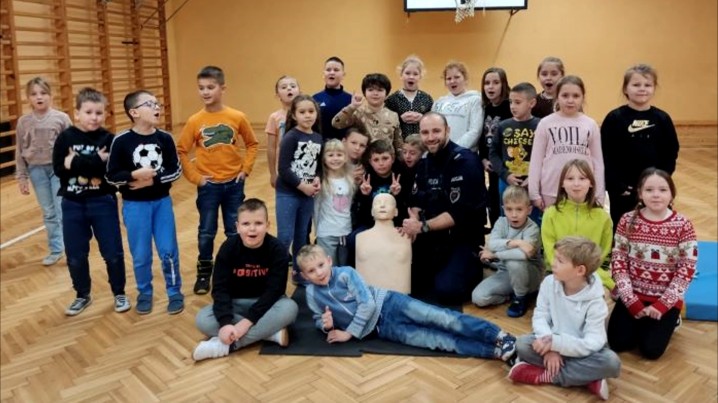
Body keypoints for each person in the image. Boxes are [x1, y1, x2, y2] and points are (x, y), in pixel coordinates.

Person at [298, 244, 518, 362]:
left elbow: (368, 304)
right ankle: (494, 352)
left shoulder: (346, 274)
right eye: (311, 271)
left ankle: (498, 336)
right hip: (383, 330)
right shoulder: (312, 294)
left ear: (329, 261)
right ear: (304, 276)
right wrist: (326, 325)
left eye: (321, 265)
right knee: (437, 341)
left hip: (389, 304)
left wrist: (349, 333)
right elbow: (318, 319)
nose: (319, 273)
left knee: (441, 318)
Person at [176, 65, 259, 295]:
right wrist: (195, 177)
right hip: (209, 187)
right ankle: (204, 272)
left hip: (234, 185)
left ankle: (236, 268)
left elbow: (252, 144)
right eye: (201, 88)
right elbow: (181, 150)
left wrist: (246, 169)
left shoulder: (237, 117)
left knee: (234, 230)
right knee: (206, 231)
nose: (205, 92)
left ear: (222, 88)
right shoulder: (195, 120)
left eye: (210, 87)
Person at [508, 236, 621, 401]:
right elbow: (540, 316)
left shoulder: (596, 300)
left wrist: (557, 345)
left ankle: (547, 375)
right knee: (522, 344)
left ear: (580, 270)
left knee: (611, 363)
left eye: (560, 261)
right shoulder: (548, 282)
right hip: (552, 342)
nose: (553, 263)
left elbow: (593, 342)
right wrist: (550, 348)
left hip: (581, 350)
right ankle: (587, 379)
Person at [106, 90, 184, 315]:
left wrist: (152, 181)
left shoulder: (165, 138)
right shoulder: (121, 141)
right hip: (134, 207)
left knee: (168, 250)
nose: (157, 107)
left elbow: (175, 170)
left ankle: (174, 292)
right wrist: (133, 175)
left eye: (157, 103)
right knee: (141, 254)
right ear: (134, 112)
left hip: (162, 203)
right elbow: (111, 176)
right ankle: (145, 293)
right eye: (150, 104)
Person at [52, 87, 128, 316]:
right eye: (88, 112)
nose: (94, 117)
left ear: (105, 114)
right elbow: (59, 170)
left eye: (98, 112)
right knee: (75, 255)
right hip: (72, 204)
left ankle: (119, 292)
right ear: (77, 113)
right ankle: (82, 294)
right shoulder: (65, 138)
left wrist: (74, 163)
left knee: (113, 252)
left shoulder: (109, 139)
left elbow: (109, 171)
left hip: (103, 202)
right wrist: (96, 160)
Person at [192, 199, 299, 361]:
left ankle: (228, 345)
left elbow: (275, 291)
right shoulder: (228, 247)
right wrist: (225, 323)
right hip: (236, 304)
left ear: (268, 225)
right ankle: (270, 333)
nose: (252, 228)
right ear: (237, 227)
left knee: (290, 308)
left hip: (267, 305)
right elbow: (220, 288)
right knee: (203, 319)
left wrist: (246, 323)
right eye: (246, 224)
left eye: (258, 223)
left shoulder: (277, 249)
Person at [607, 169, 697, 360]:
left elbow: (686, 270)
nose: (656, 195)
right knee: (618, 343)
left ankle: (672, 319)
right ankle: (641, 320)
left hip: (664, 298)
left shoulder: (683, 225)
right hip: (633, 294)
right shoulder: (627, 220)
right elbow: (619, 262)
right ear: (640, 193)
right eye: (649, 190)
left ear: (672, 194)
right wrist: (630, 300)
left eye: (663, 190)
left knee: (651, 351)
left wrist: (663, 305)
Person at [400, 112, 486, 303]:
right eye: (425, 132)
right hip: (432, 237)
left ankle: (472, 269)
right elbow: (416, 200)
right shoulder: (424, 162)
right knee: (410, 282)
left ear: (447, 130)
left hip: (462, 238)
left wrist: (422, 226)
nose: (430, 137)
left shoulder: (466, 162)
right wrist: (413, 221)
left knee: (448, 291)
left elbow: (458, 214)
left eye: (436, 131)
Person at [601, 64, 679, 235]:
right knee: (623, 230)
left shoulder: (662, 119)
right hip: (623, 190)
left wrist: (661, 182)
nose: (642, 89)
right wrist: (618, 185)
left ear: (654, 88)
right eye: (636, 85)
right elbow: (605, 154)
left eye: (647, 85)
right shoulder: (615, 118)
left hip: (653, 188)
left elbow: (671, 153)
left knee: (655, 229)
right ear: (625, 89)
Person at [15, 77, 72, 266]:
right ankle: (56, 250)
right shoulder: (23, 122)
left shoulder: (61, 118)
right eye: (34, 94)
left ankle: (71, 249)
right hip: (36, 171)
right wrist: (22, 177)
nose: (39, 97)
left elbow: (72, 145)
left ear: (51, 95)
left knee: (62, 210)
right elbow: (19, 150)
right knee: (48, 212)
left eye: (43, 93)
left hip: (58, 170)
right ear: (28, 98)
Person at [528, 75, 605, 211]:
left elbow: (597, 163)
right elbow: (536, 160)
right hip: (551, 192)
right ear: (557, 97)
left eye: (576, 96)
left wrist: (599, 195)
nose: (570, 100)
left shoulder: (590, 124)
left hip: (582, 193)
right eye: (565, 95)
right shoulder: (545, 123)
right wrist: (534, 193)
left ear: (583, 98)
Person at [541, 159, 613, 290]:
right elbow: (550, 249)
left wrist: (585, 272)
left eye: (582, 178)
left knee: (603, 297)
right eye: (570, 178)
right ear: (562, 183)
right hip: (558, 272)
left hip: (592, 273)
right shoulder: (551, 214)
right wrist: (569, 271)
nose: (576, 184)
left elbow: (604, 251)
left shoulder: (603, 217)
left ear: (591, 183)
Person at [471, 186, 542, 317]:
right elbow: (492, 243)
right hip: (505, 272)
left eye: (519, 209)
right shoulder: (501, 222)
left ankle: (521, 297)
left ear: (529, 210)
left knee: (515, 261)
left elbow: (523, 255)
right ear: (503, 209)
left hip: (530, 275)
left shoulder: (532, 228)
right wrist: (517, 242)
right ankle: (511, 295)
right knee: (478, 298)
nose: (514, 214)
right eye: (509, 209)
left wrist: (495, 254)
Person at [275, 94, 323, 282]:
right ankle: (277, 276)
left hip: (307, 195)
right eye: (302, 112)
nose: (307, 115)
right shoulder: (291, 137)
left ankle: (298, 272)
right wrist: (302, 186)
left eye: (311, 111)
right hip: (288, 194)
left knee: (302, 236)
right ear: (294, 115)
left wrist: (317, 179)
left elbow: (318, 165)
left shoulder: (318, 137)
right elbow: (283, 169)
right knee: (285, 237)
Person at [490, 82, 541, 224]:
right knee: (508, 219)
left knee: (533, 221)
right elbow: (493, 153)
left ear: (532, 103)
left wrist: (534, 178)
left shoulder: (540, 125)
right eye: (511, 102)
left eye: (517, 102)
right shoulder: (503, 126)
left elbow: (546, 156)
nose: (512, 106)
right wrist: (505, 175)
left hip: (532, 183)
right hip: (507, 181)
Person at [332, 73, 403, 158]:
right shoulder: (358, 112)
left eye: (380, 90)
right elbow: (336, 124)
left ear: (386, 94)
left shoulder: (393, 116)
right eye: (370, 90)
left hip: (385, 160)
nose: (375, 93)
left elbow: (398, 144)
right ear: (364, 93)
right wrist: (352, 106)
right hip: (362, 160)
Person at [356, 193, 412, 293]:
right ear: (372, 211)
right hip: (368, 298)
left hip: (400, 297)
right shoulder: (360, 237)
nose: (382, 205)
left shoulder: (405, 236)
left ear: (396, 212)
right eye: (377, 203)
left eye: (387, 203)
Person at [479, 67, 512, 231]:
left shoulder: (510, 107)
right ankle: (495, 236)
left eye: (495, 82)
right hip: (490, 165)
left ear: (503, 85)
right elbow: (482, 137)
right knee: (493, 201)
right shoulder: (485, 108)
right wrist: (483, 159)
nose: (490, 87)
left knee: (506, 202)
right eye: (487, 83)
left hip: (506, 165)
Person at [314, 139, 355, 266]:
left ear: (345, 157)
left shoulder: (350, 180)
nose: (335, 158)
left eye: (339, 154)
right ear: (324, 159)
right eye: (330, 155)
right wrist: (317, 231)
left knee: (344, 268)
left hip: (345, 231)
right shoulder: (320, 181)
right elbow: (316, 208)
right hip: (326, 233)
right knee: (329, 267)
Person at [431, 61, 483, 151]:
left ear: (465, 78)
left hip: (464, 153)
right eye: (449, 78)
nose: (452, 81)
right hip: (441, 152)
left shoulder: (475, 100)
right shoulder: (439, 103)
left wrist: (455, 149)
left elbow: (475, 130)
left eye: (457, 77)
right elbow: (432, 128)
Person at [385, 55, 434, 138]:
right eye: (407, 73)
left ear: (420, 77)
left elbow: (433, 122)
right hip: (399, 143)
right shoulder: (392, 99)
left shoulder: (427, 99)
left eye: (415, 74)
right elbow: (385, 122)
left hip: (422, 143)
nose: (411, 77)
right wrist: (399, 119)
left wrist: (423, 118)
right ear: (401, 75)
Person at [266, 75, 300, 188]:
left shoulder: (307, 114)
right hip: (284, 168)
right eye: (284, 87)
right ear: (277, 95)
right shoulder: (274, 117)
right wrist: (273, 174)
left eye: (293, 86)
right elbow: (271, 147)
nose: (289, 88)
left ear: (300, 92)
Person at [313, 56, 352, 142]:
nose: (332, 72)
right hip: (321, 145)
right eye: (328, 70)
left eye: (336, 70)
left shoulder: (351, 100)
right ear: (323, 74)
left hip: (343, 146)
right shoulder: (315, 98)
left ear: (343, 75)